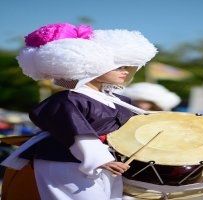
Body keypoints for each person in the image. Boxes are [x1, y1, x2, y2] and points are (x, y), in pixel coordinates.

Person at [1, 23, 157, 200]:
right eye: (119, 66)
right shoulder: (67, 99)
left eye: (129, 67)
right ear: (92, 64)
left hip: (109, 162)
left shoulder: (120, 101)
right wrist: (99, 159)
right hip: (65, 161)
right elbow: (76, 132)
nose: (126, 72)